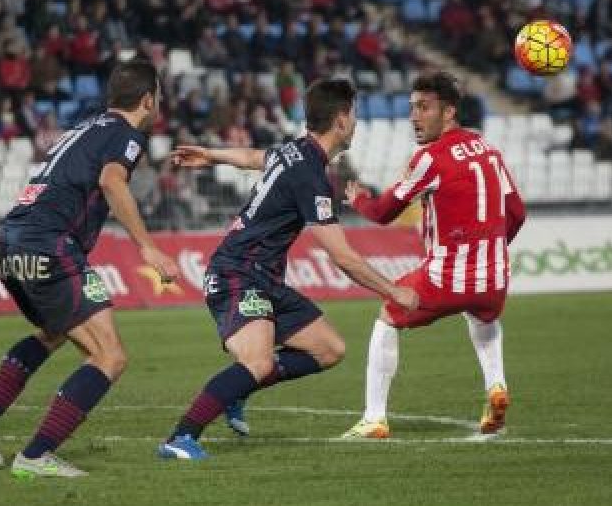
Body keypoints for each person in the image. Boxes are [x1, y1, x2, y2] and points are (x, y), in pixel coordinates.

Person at [156, 79, 418, 461]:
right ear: (340, 121)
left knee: (329, 349)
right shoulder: (311, 175)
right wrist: (393, 291)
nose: (356, 124)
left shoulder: (293, 151)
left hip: (263, 277)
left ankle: (238, 389)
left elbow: (253, 157)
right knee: (258, 362)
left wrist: (212, 155)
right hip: (237, 274)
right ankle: (180, 437)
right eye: (354, 116)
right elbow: (343, 258)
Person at [0, 60, 181, 479]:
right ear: (148, 100)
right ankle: (36, 455)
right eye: (160, 97)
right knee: (109, 356)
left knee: (54, 333)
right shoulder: (127, 135)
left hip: (10, 242)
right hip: (50, 245)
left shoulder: (85, 126)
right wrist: (147, 247)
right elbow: (112, 181)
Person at [339, 73, 526, 440]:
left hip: (448, 276)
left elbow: (383, 212)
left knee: (388, 314)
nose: (414, 117)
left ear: (449, 112)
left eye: (424, 108)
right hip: (495, 276)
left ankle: (374, 418)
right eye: (412, 108)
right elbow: (517, 213)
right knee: (483, 318)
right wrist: (490, 252)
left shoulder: (430, 158)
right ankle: (497, 387)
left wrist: (359, 199)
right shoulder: (488, 149)